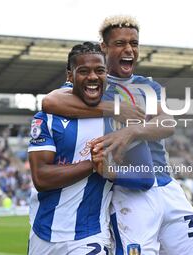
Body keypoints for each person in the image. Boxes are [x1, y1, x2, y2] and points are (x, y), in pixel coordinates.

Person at [42, 15, 193, 255]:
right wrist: (116, 109)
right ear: (104, 47)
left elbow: (167, 123)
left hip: (166, 186)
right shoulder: (94, 84)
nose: (129, 49)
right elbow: (50, 101)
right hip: (127, 193)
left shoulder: (148, 85)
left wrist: (134, 130)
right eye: (120, 43)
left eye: (134, 43)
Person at [28, 42, 154, 255]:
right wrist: (93, 165)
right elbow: (41, 178)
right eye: (83, 71)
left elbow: (145, 177)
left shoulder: (121, 122)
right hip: (42, 232)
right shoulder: (49, 118)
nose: (93, 77)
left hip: (90, 235)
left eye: (100, 70)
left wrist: (112, 172)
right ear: (70, 76)